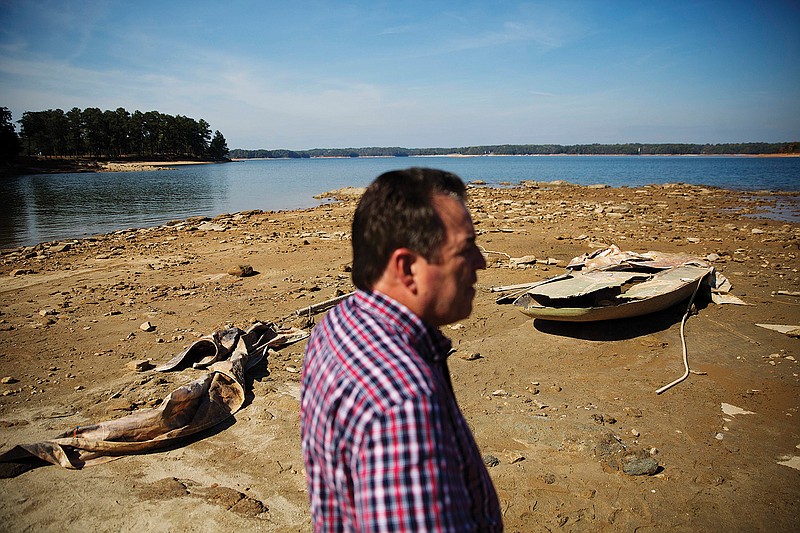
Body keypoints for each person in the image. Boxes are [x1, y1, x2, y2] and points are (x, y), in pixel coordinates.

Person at [300, 168, 503, 532]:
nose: (481, 262)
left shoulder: (336, 324)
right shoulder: (404, 404)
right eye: (465, 249)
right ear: (408, 267)